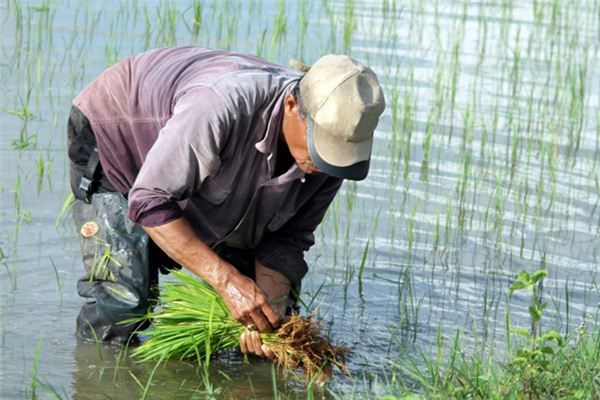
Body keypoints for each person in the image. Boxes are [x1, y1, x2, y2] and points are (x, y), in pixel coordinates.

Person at [67, 46, 385, 357]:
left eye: (336, 155)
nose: (323, 166)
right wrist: (227, 281)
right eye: (321, 147)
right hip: (117, 142)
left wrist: (268, 315)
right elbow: (150, 199)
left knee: (262, 310)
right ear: (291, 106)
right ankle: (99, 381)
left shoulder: (333, 161)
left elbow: (288, 238)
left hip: (198, 178)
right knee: (124, 304)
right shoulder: (221, 106)